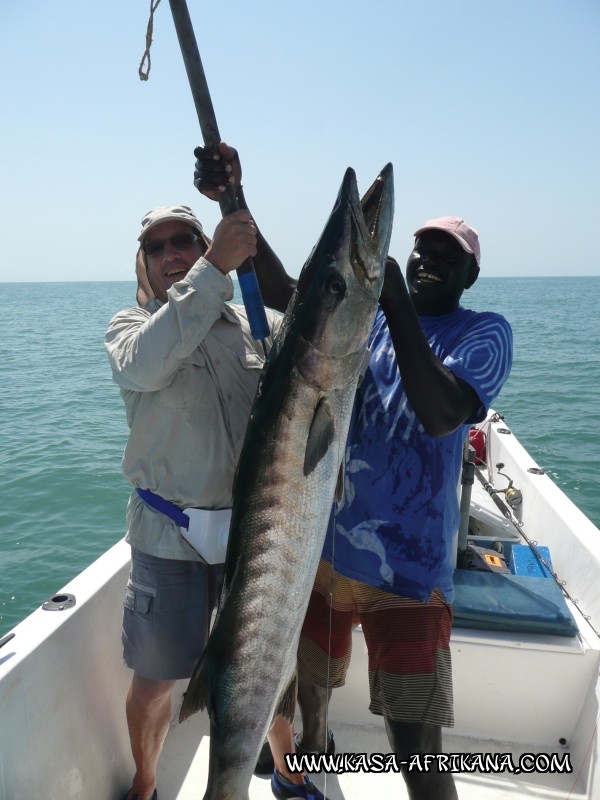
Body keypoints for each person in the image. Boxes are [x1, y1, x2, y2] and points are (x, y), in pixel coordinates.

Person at [105, 190, 319, 800]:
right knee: (153, 682)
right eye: (157, 246)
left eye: (185, 241)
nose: (171, 253)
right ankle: (147, 783)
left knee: (266, 669)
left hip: (255, 533)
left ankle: (286, 768)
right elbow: (147, 368)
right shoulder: (129, 329)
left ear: (202, 245)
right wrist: (215, 269)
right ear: (142, 262)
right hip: (166, 533)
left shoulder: (256, 328)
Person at [295, 218, 514, 800]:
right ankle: (310, 767)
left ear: (472, 274)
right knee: (310, 683)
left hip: (409, 572)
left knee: (414, 737)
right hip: (326, 546)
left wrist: (395, 307)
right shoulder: (366, 319)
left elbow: (444, 413)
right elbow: (289, 294)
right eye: (421, 250)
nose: (429, 261)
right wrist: (234, 209)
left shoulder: (485, 333)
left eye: (448, 255)